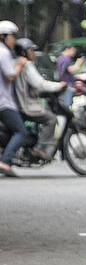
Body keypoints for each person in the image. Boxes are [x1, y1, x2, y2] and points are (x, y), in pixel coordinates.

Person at [14, 38, 67, 161]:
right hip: (25, 104)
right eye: (31, 50)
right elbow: (39, 84)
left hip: (18, 102)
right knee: (50, 119)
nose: (33, 54)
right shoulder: (26, 65)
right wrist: (58, 86)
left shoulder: (16, 62)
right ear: (24, 52)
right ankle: (40, 147)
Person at [0, 20, 28, 177]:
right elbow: (10, 76)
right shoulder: (3, 52)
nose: (14, 40)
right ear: (3, 36)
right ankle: (5, 161)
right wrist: (20, 65)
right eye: (12, 36)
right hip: (4, 102)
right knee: (21, 132)